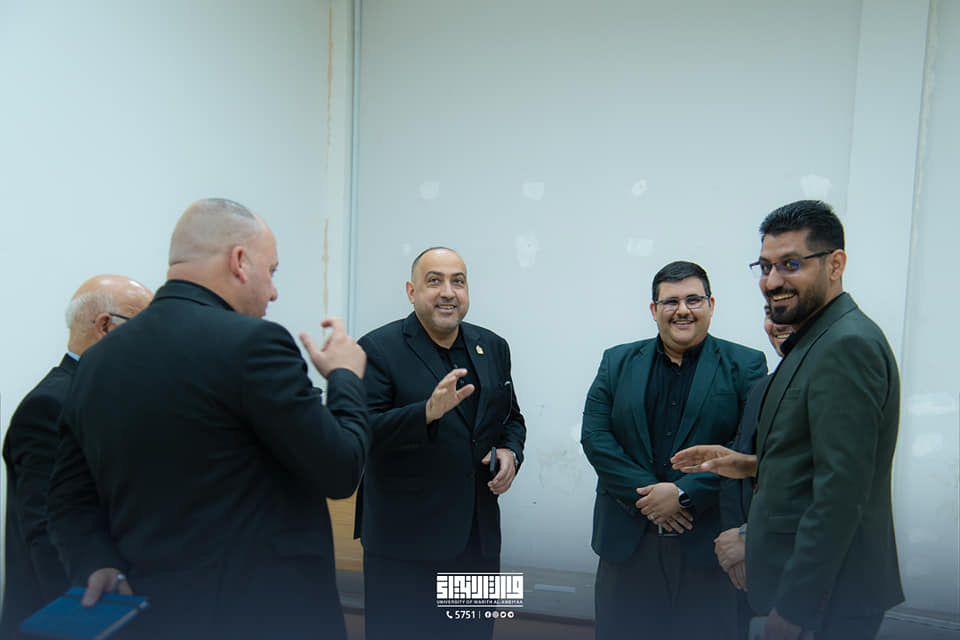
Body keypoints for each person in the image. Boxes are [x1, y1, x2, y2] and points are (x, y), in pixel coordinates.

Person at [46, 198, 370, 640]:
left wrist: (94, 562)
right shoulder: (254, 344)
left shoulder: (96, 362)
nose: (274, 292)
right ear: (239, 261)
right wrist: (346, 377)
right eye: (272, 271)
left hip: (152, 616)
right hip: (263, 617)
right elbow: (339, 469)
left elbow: (68, 498)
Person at [672, 200, 903, 640]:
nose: (773, 281)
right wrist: (745, 464)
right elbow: (813, 460)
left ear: (835, 264)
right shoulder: (817, 340)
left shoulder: (845, 345)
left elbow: (839, 490)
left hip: (827, 598)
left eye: (791, 264)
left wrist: (797, 606)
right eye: (765, 267)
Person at [580, 260, 767, 640]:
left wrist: (683, 494)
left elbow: (747, 448)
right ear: (654, 310)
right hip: (627, 541)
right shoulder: (616, 361)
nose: (683, 310)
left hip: (708, 545)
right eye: (671, 301)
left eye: (693, 300)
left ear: (711, 305)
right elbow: (596, 437)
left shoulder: (746, 365)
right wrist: (651, 497)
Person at [355, 246, 526, 640]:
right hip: (402, 546)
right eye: (434, 281)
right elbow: (361, 432)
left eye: (458, 282)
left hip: (478, 542)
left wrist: (510, 451)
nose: (448, 292)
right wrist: (426, 413)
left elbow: (511, 419)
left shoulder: (493, 346)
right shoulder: (377, 348)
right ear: (411, 291)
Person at [1, 275, 152, 639]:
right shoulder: (52, 404)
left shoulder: (98, 396)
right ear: (105, 326)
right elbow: (50, 533)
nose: (153, 341)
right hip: (68, 621)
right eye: (144, 327)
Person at [714, 305, 792, 639]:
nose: (778, 323)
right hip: (750, 575)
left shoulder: (831, 384)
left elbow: (820, 485)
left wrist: (751, 538)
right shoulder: (763, 388)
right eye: (770, 313)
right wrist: (736, 541)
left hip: (810, 577)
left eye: (789, 312)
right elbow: (739, 475)